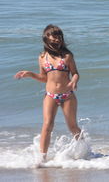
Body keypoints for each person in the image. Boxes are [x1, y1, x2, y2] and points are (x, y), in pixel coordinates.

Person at [14, 24, 81, 162]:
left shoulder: (67, 56)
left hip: (67, 96)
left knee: (72, 126)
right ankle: (42, 159)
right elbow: (44, 78)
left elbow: (75, 73)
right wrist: (30, 74)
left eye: (59, 36)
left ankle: (84, 151)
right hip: (50, 95)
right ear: (46, 38)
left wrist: (74, 81)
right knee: (47, 125)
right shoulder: (42, 57)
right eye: (54, 36)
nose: (57, 39)